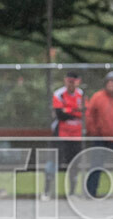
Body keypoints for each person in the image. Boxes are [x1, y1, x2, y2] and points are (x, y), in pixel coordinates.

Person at [43, 71, 84, 199]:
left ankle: (72, 192)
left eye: (73, 81)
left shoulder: (81, 95)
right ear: (65, 81)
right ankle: (47, 191)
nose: (71, 84)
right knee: (53, 161)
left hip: (76, 135)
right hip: (60, 134)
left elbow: (84, 112)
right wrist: (74, 111)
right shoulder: (59, 94)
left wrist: (69, 110)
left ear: (78, 82)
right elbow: (60, 114)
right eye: (69, 81)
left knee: (74, 163)